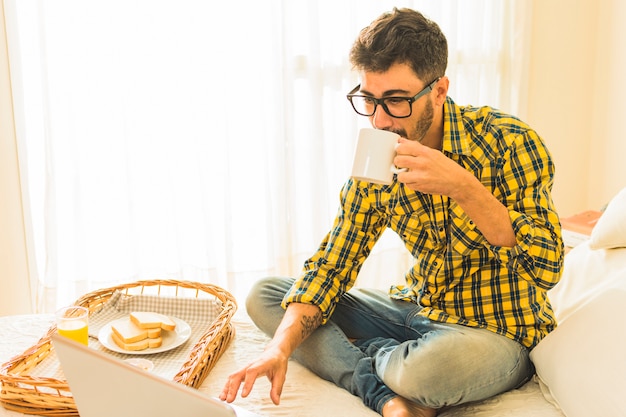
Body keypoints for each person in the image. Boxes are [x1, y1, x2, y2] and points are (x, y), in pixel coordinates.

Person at [220, 7, 563, 417]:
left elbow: (547, 268)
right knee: (267, 297)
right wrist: (278, 350)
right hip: (414, 310)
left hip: (496, 330)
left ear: (438, 90)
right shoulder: (378, 156)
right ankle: (386, 392)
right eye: (369, 99)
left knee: (427, 372)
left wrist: (464, 188)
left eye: (396, 100)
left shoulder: (509, 141)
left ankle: (379, 366)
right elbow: (332, 264)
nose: (380, 119)